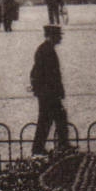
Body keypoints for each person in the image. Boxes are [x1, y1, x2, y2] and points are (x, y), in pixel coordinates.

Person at [29, 24, 70, 155]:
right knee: (51, 119)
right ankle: (60, 145)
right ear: (53, 36)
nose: (61, 39)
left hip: (47, 92)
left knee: (51, 119)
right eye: (59, 36)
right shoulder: (46, 50)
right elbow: (49, 74)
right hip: (48, 93)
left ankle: (47, 146)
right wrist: (56, 91)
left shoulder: (46, 48)